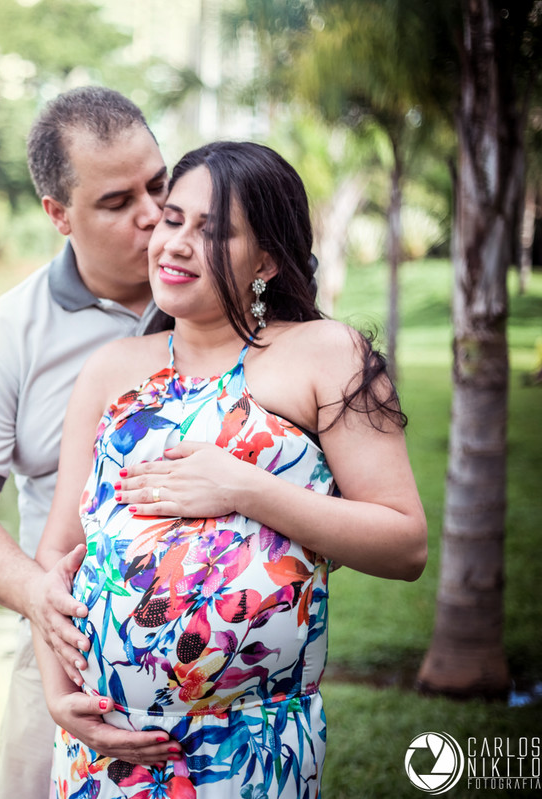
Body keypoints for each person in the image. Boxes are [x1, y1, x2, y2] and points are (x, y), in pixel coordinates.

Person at [31, 141, 428, 798]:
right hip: (101, 748)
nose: (176, 243)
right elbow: (58, 555)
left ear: (266, 258)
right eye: (173, 219)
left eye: (212, 231)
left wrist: (242, 486)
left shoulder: (325, 354)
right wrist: (57, 690)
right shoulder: (112, 369)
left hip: (247, 752)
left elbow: (404, 542)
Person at [0, 86, 178, 798]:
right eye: (117, 201)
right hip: (65, 663)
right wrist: (39, 595)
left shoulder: (231, 300)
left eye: (159, 184)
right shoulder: (4, 334)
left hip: (225, 672)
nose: (153, 215)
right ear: (58, 215)